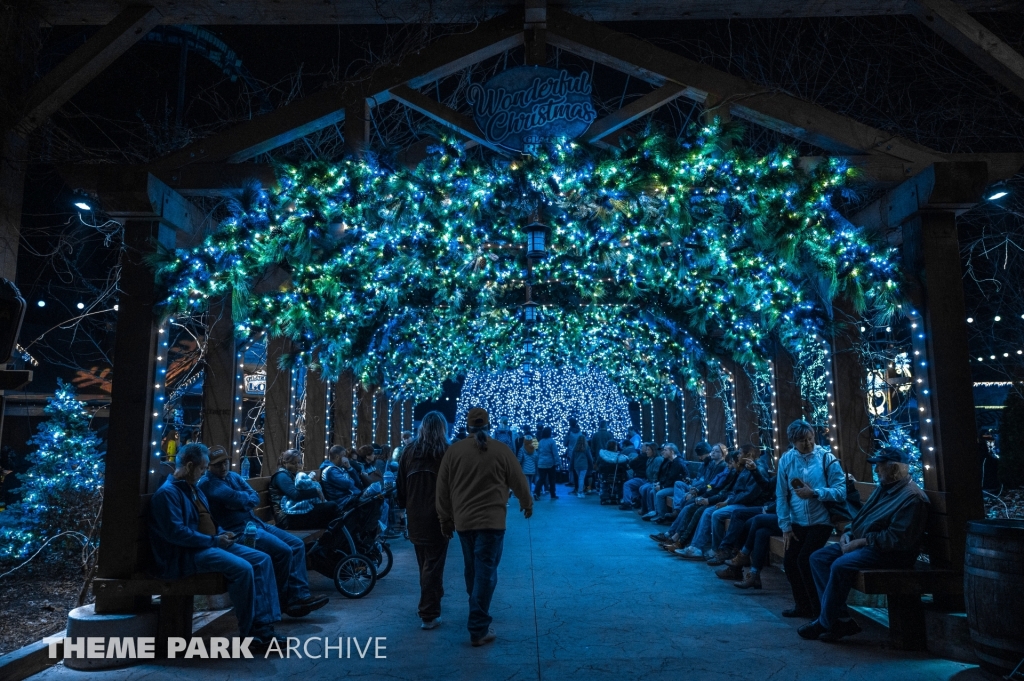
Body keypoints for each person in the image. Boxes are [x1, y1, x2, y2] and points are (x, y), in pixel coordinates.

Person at [149, 443, 283, 649]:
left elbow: (209, 521)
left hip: (210, 543)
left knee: (261, 559)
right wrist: (214, 541)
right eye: (203, 468)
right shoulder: (168, 494)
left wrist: (221, 533)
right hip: (186, 554)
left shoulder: (194, 489)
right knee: (243, 569)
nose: (204, 473)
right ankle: (250, 634)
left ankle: (265, 626)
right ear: (190, 465)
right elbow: (176, 534)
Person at [800, 446, 929, 642]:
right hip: (864, 543)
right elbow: (861, 517)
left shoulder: (912, 498)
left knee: (840, 565)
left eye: (880, 466)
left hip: (888, 553)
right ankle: (840, 619)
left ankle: (825, 622)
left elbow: (898, 539)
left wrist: (861, 542)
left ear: (894, 469)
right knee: (818, 558)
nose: (876, 470)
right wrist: (849, 533)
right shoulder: (884, 489)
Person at [436, 407, 533, 647]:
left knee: (473, 568)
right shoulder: (501, 450)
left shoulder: (454, 451)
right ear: (489, 425)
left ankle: (476, 607)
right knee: (486, 571)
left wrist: (445, 519)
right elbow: (518, 479)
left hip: (464, 521)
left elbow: (442, 489)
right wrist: (526, 503)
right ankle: (478, 626)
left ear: (467, 426)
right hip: (492, 522)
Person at [198, 447, 329, 618]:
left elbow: (254, 497)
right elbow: (237, 498)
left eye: (225, 462)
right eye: (217, 465)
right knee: (283, 551)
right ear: (208, 467)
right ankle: (286, 600)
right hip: (239, 530)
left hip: (256, 523)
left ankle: (299, 595)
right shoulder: (208, 484)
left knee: (296, 545)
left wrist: (240, 501)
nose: (223, 467)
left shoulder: (233, 476)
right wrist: (242, 500)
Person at [775, 420, 847, 620]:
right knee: (790, 563)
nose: (806, 444)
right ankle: (802, 605)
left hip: (821, 521)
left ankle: (818, 611)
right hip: (797, 521)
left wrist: (815, 493)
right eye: (801, 440)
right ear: (792, 441)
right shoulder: (787, 460)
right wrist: (785, 526)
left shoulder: (827, 459)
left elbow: (841, 492)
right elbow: (781, 495)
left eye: (809, 439)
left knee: (805, 560)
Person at [396, 411, 452, 630]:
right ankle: (428, 612)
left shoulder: (408, 452)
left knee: (425, 563)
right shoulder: (446, 452)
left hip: (416, 515)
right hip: (439, 515)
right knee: (434, 564)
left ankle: (433, 598)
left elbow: (401, 485)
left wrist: (404, 506)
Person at [269, 450, 341, 530]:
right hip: (286, 518)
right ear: (284, 462)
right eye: (293, 463)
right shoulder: (281, 476)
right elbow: (295, 495)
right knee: (332, 507)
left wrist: (312, 483)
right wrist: (315, 491)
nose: (297, 466)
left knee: (331, 514)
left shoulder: (292, 474)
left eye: (299, 462)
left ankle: (337, 538)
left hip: (296, 513)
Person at [642, 444, 686, 522]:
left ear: (672, 452)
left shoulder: (678, 463)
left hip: (677, 487)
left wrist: (662, 486)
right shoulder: (670, 461)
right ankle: (657, 513)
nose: (663, 452)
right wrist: (660, 484)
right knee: (654, 488)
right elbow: (666, 476)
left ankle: (662, 517)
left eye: (665, 450)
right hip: (671, 485)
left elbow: (673, 479)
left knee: (659, 494)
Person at [619, 442, 661, 510]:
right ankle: (638, 501)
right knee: (638, 486)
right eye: (646, 449)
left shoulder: (647, 457)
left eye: (648, 449)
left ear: (653, 450)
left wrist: (653, 482)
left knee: (627, 484)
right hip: (646, 479)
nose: (641, 449)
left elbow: (632, 464)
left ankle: (627, 503)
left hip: (645, 479)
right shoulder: (650, 459)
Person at [533, 426, 559, 500]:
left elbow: (538, 452)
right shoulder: (552, 441)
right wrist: (558, 463)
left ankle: (536, 492)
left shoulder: (541, 441)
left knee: (541, 479)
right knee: (552, 479)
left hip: (541, 463)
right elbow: (555, 453)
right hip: (550, 463)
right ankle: (553, 494)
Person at [570, 432, 592, 498]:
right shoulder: (586, 448)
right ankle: (580, 492)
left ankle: (580, 491)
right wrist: (591, 465)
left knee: (580, 478)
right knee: (581, 478)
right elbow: (589, 458)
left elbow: (572, 458)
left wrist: (571, 467)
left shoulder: (575, 448)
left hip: (576, 465)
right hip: (584, 465)